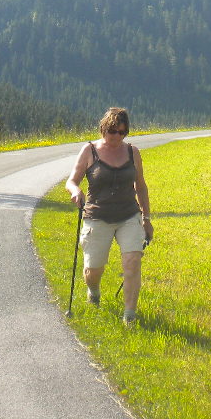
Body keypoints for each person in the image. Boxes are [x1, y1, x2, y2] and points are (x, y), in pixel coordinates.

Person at [65, 107, 153, 326]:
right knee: (94, 269)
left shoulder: (133, 152)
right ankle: (93, 291)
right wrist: (76, 191)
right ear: (104, 128)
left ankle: (129, 316)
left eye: (122, 132)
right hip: (97, 215)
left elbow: (140, 186)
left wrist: (146, 218)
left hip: (128, 215)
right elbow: (72, 180)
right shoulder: (89, 150)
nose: (117, 136)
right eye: (113, 131)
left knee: (132, 261)